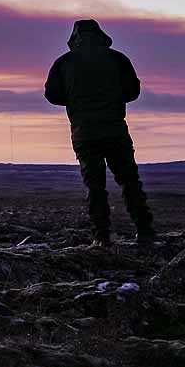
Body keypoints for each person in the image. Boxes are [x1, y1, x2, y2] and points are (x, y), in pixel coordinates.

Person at [45, 19, 156, 248]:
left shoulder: (64, 62)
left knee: (95, 187)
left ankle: (101, 237)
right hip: (115, 130)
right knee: (129, 181)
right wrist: (111, 98)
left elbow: (52, 95)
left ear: (75, 37)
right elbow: (133, 91)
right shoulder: (117, 58)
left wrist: (77, 99)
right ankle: (144, 231)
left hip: (84, 134)